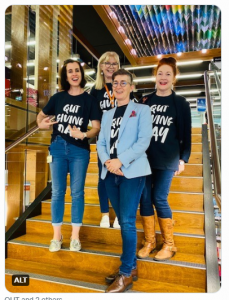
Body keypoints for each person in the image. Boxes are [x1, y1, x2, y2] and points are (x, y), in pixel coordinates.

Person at [36, 59, 101, 253]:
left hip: (79, 150)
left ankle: (75, 236)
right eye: (70, 71)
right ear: (65, 76)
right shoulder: (58, 97)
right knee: (57, 193)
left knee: (77, 193)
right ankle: (57, 236)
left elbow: (96, 128)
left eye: (77, 71)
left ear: (81, 74)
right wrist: (41, 124)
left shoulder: (89, 100)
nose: (74, 74)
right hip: (57, 147)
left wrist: (83, 134)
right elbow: (40, 117)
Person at [97, 69, 152, 293]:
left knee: (127, 222)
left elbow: (143, 141)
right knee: (122, 219)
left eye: (123, 83)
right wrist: (109, 163)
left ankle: (126, 274)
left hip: (133, 172)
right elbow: (101, 143)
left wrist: (120, 161)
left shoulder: (142, 110)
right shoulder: (107, 114)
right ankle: (131, 266)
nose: (118, 86)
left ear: (131, 87)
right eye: (115, 83)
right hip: (110, 174)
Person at [137, 57, 192, 261]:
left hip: (168, 159)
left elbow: (186, 133)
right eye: (160, 73)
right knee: (144, 198)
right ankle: (149, 242)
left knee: (159, 198)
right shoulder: (146, 101)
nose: (163, 77)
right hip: (144, 159)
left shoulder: (180, 103)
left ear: (174, 78)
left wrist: (183, 159)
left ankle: (169, 244)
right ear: (155, 76)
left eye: (168, 74)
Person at [90, 51, 138, 229]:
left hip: (124, 141)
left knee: (124, 177)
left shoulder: (122, 86)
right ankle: (104, 215)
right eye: (107, 63)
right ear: (101, 67)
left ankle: (119, 214)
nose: (110, 66)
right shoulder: (94, 91)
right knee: (103, 178)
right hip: (103, 142)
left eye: (114, 64)